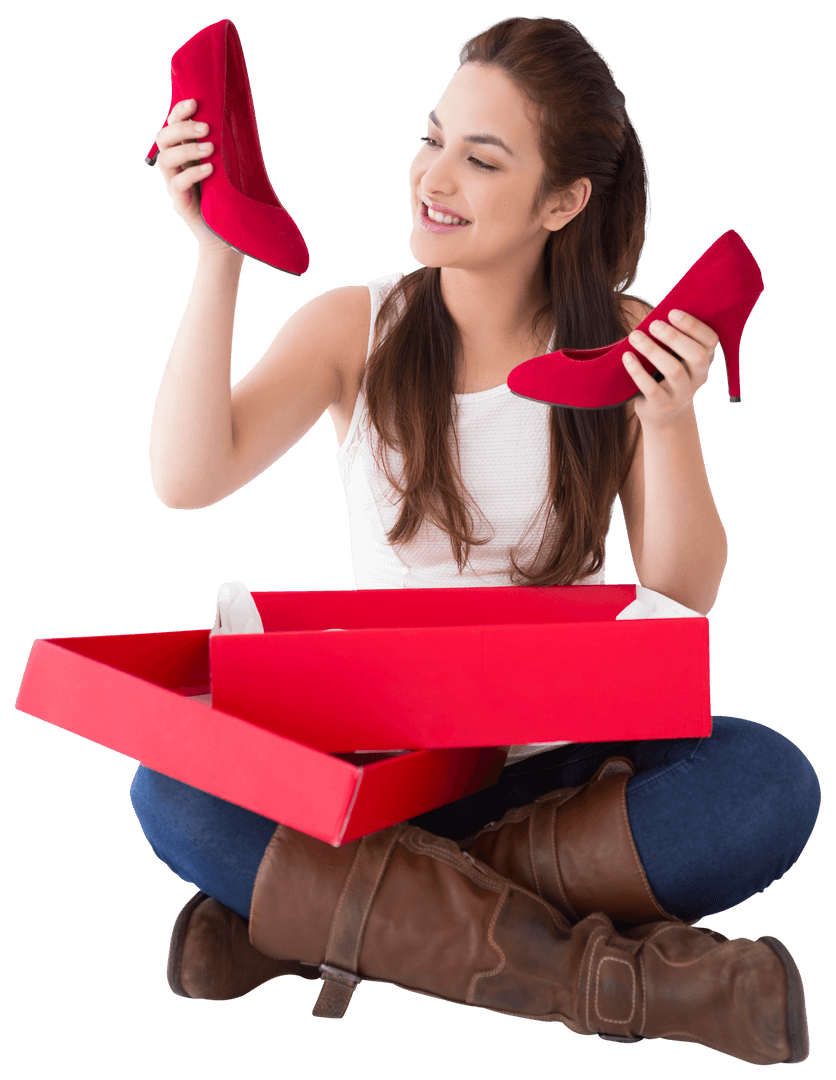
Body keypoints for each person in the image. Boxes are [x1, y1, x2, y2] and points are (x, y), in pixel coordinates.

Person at [131, 15, 820, 1062]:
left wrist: (669, 419)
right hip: (377, 760)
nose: (433, 173)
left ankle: (322, 916)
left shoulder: (624, 340)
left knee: (769, 782)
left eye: (480, 156)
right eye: (432, 135)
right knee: (167, 784)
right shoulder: (352, 327)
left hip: (561, 771)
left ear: (562, 201)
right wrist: (217, 254)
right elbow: (187, 478)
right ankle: (622, 980)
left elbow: (679, 594)